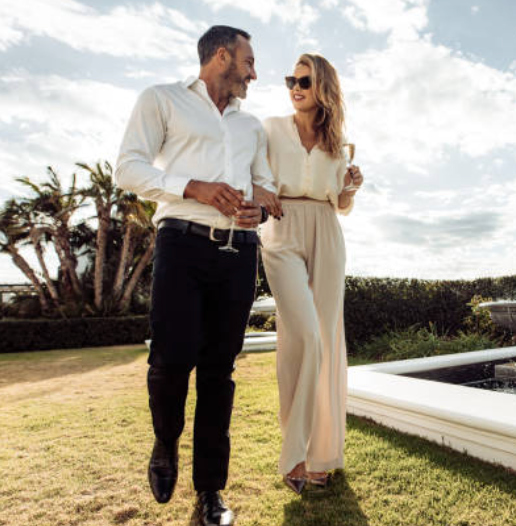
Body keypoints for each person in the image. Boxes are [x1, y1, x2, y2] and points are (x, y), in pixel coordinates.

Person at [115, 25, 277, 526]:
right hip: (181, 244)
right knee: (170, 359)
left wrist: (259, 211)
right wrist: (194, 187)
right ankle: (165, 443)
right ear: (221, 56)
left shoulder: (251, 127)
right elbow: (128, 169)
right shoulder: (162, 99)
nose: (254, 73)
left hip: (238, 253)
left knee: (218, 373)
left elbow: (265, 187)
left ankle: (210, 492)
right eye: (249, 62)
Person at [254, 53, 364, 494]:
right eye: (291, 80)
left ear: (323, 88)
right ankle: (294, 453)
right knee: (303, 337)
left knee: (327, 341)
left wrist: (350, 188)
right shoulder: (269, 129)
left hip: (326, 230)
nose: (295, 88)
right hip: (281, 230)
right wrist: (259, 191)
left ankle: (320, 456)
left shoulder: (338, 143)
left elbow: (340, 203)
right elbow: (252, 175)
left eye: (304, 81)